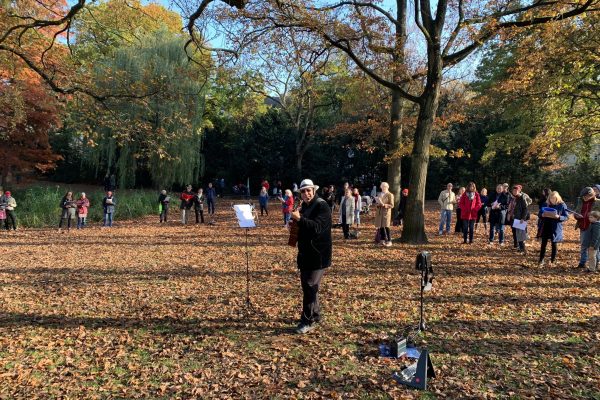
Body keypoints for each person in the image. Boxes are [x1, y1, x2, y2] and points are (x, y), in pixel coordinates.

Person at [290, 179, 332, 334]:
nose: (306, 193)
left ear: (314, 190)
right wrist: (295, 225)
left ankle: (307, 321)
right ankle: (315, 314)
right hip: (305, 254)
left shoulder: (322, 205)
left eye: (309, 190)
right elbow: (304, 227)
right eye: (303, 191)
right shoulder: (304, 206)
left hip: (319, 254)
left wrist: (299, 219)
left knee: (310, 286)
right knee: (308, 287)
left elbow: (317, 228)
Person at [537, 191, 568, 267]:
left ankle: (552, 260)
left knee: (554, 244)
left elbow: (566, 217)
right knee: (543, 243)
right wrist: (542, 215)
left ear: (557, 198)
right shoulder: (545, 204)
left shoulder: (562, 205)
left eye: (554, 198)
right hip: (545, 225)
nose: (552, 200)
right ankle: (541, 260)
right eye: (551, 198)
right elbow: (539, 214)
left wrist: (559, 217)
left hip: (555, 226)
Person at [573, 187, 600, 269]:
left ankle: (597, 263)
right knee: (583, 245)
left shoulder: (598, 203)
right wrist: (576, 215)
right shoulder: (580, 201)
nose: (584, 198)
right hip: (583, 226)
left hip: (595, 228)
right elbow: (576, 211)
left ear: (591, 195)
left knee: (595, 246)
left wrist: (593, 216)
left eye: (586, 196)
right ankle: (582, 263)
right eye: (583, 197)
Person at [509, 185, 529, 253]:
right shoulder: (512, 198)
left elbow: (525, 209)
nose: (514, 191)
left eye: (516, 190)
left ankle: (522, 248)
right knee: (515, 233)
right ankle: (518, 247)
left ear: (519, 191)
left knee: (520, 234)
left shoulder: (521, 198)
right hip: (513, 218)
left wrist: (523, 218)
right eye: (514, 190)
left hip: (519, 218)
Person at [374, 182, 394, 247]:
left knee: (387, 226)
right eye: (382, 187)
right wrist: (378, 204)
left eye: (384, 187)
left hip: (386, 212)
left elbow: (392, 205)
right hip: (380, 212)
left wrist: (384, 205)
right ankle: (382, 241)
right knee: (381, 226)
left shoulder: (390, 194)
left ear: (387, 187)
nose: (383, 188)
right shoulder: (380, 194)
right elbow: (377, 204)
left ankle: (389, 241)